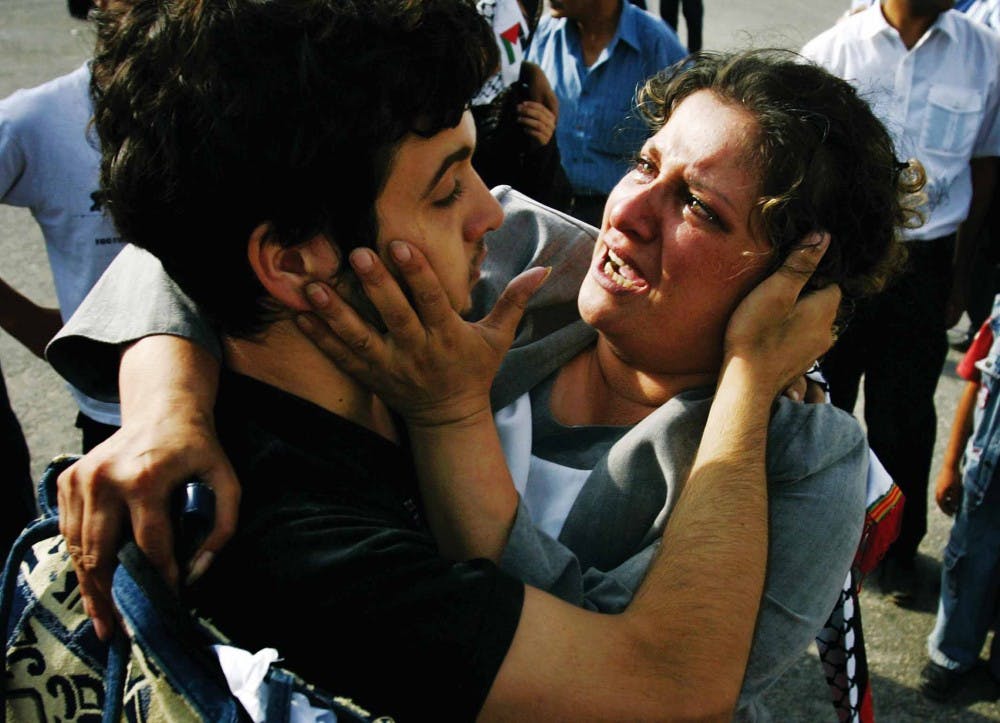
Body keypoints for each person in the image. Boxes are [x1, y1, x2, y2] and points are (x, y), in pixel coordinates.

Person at [50, 27, 915, 717]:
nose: (631, 213)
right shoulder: (529, 254)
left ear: (794, 285)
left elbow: (654, 683)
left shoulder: (799, 462)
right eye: (647, 164)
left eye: (699, 207)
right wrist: (170, 413)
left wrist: (745, 385)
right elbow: (208, 223)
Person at [802, 0, 1000, 605]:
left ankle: (895, 553)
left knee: (905, 416)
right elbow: (804, 169)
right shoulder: (832, 52)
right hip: (845, 258)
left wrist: (962, 278)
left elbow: (985, 165)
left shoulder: (984, 53)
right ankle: (810, 546)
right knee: (821, 405)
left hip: (926, 264)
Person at [0, 0, 124, 452]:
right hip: (118, 417)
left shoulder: (234, 109)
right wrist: (31, 323)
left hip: (253, 405)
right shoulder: (38, 120)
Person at [527, 0, 686, 226]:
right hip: (544, 206)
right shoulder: (541, 36)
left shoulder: (657, 44)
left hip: (619, 217)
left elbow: (686, 144)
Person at [920, 291, 1000, 700]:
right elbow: (974, 382)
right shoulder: (999, 318)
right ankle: (951, 654)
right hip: (987, 480)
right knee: (969, 564)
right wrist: (950, 464)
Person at [471, 0, 573, 210]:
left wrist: (541, 150)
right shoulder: (436, 95)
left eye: (516, 25)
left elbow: (553, 206)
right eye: (493, 13)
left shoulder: (522, 102)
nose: (501, 32)